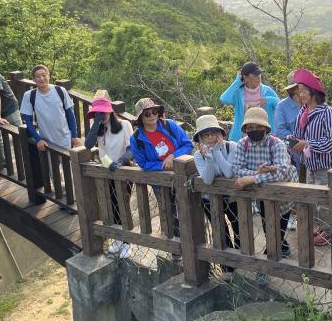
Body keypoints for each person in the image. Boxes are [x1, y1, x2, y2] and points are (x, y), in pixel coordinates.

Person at [231, 107, 297, 284]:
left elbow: (282, 171)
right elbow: (236, 169)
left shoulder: (276, 144)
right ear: (245, 129)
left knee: (279, 223)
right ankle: (271, 259)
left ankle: (277, 251)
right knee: (269, 226)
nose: (253, 131)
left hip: (283, 192)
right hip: (261, 192)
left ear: (266, 128)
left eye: (257, 127)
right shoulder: (242, 144)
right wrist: (258, 174)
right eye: (250, 127)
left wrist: (251, 177)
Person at [130, 98, 193, 260]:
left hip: (182, 176)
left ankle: (193, 247)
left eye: (154, 111)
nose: (152, 116)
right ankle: (176, 249)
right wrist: (162, 165)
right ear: (140, 118)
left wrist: (173, 156)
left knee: (189, 210)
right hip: (161, 182)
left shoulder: (169, 125)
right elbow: (143, 163)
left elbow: (188, 144)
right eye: (147, 113)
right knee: (170, 213)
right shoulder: (136, 138)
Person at [291, 69, 332, 246]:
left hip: (326, 164)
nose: (301, 95)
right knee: (314, 198)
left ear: (314, 92)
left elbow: (331, 142)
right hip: (310, 163)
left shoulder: (329, 113)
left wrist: (307, 144)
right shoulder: (303, 112)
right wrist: (293, 142)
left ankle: (330, 232)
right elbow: (298, 135)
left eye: (304, 91)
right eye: (299, 91)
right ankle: (322, 227)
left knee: (326, 201)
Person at [84, 90, 134, 258]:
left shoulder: (125, 124)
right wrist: (96, 123)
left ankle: (128, 242)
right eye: (96, 113)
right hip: (107, 171)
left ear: (110, 111)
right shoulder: (98, 129)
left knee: (123, 204)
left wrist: (119, 162)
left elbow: (131, 148)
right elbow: (88, 144)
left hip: (123, 169)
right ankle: (118, 238)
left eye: (103, 112)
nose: (100, 115)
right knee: (112, 206)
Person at [193, 114, 239, 271]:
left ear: (221, 133)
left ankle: (241, 258)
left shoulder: (231, 146)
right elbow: (207, 179)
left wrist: (217, 152)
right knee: (220, 231)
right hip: (210, 199)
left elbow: (228, 173)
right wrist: (210, 158)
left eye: (214, 133)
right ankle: (227, 265)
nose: (211, 137)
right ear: (200, 137)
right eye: (206, 134)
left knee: (239, 227)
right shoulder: (198, 155)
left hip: (232, 197)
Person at [19, 64, 81, 151]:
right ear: (33, 79)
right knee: (50, 165)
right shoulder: (29, 95)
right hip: (46, 142)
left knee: (68, 164)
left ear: (49, 76)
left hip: (65, 139)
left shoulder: (60, 91)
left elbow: (70, 114)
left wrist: (74, 136)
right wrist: (38, 139)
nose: (41, 78)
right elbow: (28, 120)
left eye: (44, 75)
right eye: (38, 76)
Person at [220, 61, 280, 142]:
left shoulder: (267, 90)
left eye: (259, 74)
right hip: (242, 136)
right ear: (245, 77)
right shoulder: (238, 93)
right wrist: (238, 80)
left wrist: (269, 100)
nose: (259, 77)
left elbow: (280, 107)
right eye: (255, 75)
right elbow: (224, 99)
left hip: (265, 135)